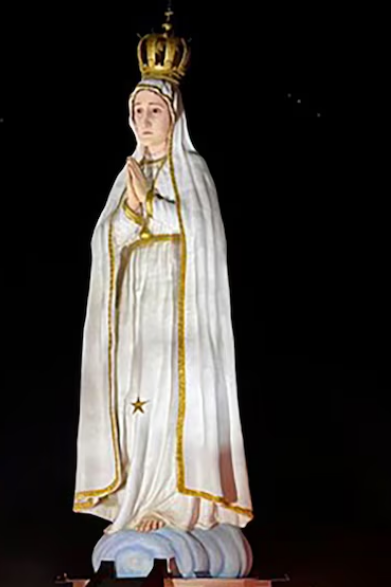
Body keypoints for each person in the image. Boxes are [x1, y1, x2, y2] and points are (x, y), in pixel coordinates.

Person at [73, 24, 253, 535]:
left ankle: (176, 502)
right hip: (136, 312)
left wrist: (148, 205)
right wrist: (130, 211)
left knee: (173, 399)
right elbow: (104, 240)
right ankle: (136, 494)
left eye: (155, 110)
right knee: (137, 402)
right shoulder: (124, 173)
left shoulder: (192, 168)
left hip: (179, 312)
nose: (145, 119)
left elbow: (201, 233)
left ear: (174, 114)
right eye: (138, 111)